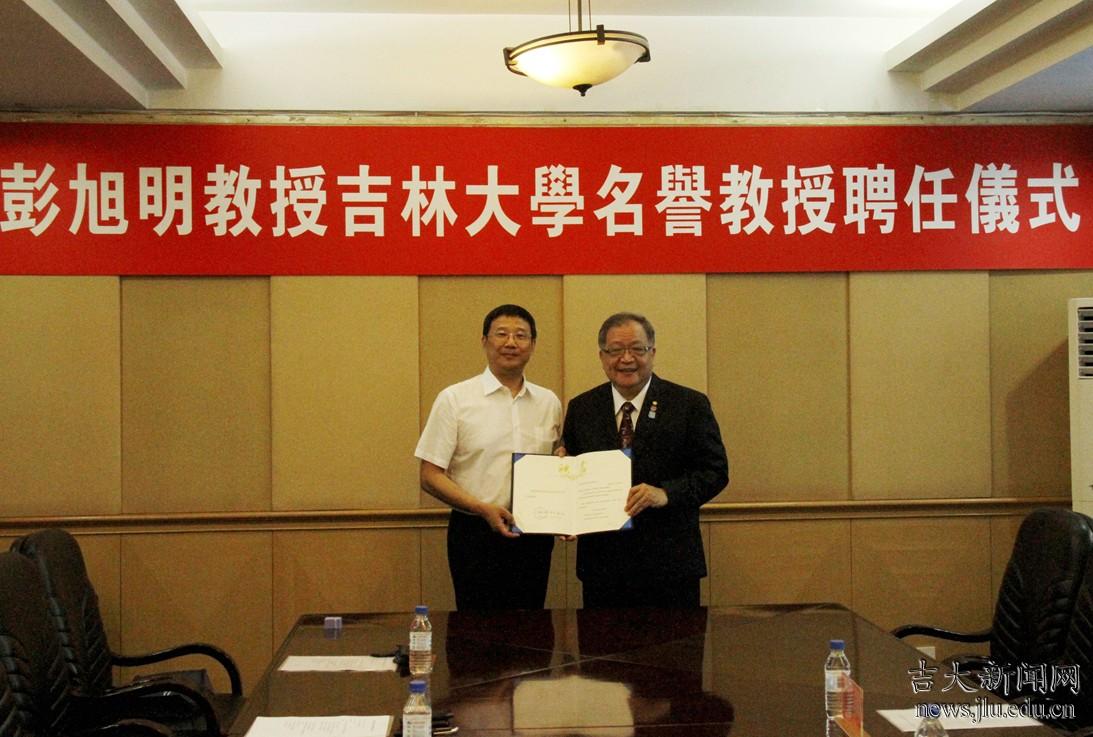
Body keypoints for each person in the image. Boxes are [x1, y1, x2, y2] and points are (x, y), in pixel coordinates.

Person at [562, 312, 729, 608]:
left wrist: (665, 493)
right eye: (615, 350)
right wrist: (563, 491)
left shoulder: (688, 404)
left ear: (652, 352)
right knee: (599, 640)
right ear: (602, 356)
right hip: (603, 567)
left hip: (670, 565)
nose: (626, 359)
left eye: (637, 349)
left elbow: (715, 472)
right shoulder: (582, 408)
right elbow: (572, 470)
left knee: (676, 640)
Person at [415, 304, 561, 610]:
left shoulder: (548, 402)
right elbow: (429, 475)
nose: (511, 342)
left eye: (521, 335)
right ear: (484, 341)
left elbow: (555, 466)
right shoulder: (455, 399)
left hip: (533, 535)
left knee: (531, 625)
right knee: (477, 627)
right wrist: (481, 508)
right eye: (501, 334)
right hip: (474, 532)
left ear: (533, 344)